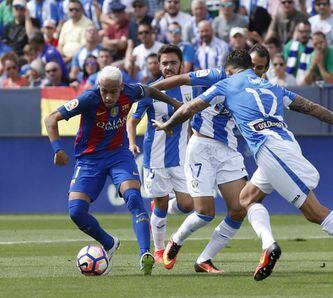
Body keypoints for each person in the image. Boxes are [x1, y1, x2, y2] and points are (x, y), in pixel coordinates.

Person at [152, 49, 333, 284]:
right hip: (283, 144)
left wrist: (168, 124)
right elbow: (311, 107)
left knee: (314, 212)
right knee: (247, 199)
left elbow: (189, 108)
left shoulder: (227, 83)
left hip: (271, 151)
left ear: (230, 69)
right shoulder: (273, 87)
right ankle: (268, 246)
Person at [44, 65, 182, 276]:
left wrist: (174, 103)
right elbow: (51, 118)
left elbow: (151, 90)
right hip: (89, 159)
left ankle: (145, 254)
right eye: (104, 91)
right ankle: (109, 243)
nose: (108, 97)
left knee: (134, 198)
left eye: (113, 91)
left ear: (121, 87)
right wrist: (58, 150)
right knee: (76, 212)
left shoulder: (132, 91)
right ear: (99, 86)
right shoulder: (88, 99)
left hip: (118, 154)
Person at [150, 44, 270, 273]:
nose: (255, 72)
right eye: (252, 66)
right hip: (202, 146)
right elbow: (180, 79)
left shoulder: (260, 88)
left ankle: (204, 259)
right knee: (205, 212)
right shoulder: (217, 75)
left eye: (260, 68)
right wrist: (146, 89)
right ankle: (175, 242)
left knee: (238, 208)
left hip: (228, 150)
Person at [127, 45, 195, 264]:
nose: (168, 67)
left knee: (188, 205)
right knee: (162, 205)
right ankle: (159, 250)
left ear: (181, 64)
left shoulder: (190, 88)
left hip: (182, 158)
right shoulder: (150, 90)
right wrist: (131, 142)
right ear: (159, 65)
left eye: (173, 62)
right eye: (164, 63)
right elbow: (133, 119)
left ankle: (160, 207)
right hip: (155, 159)